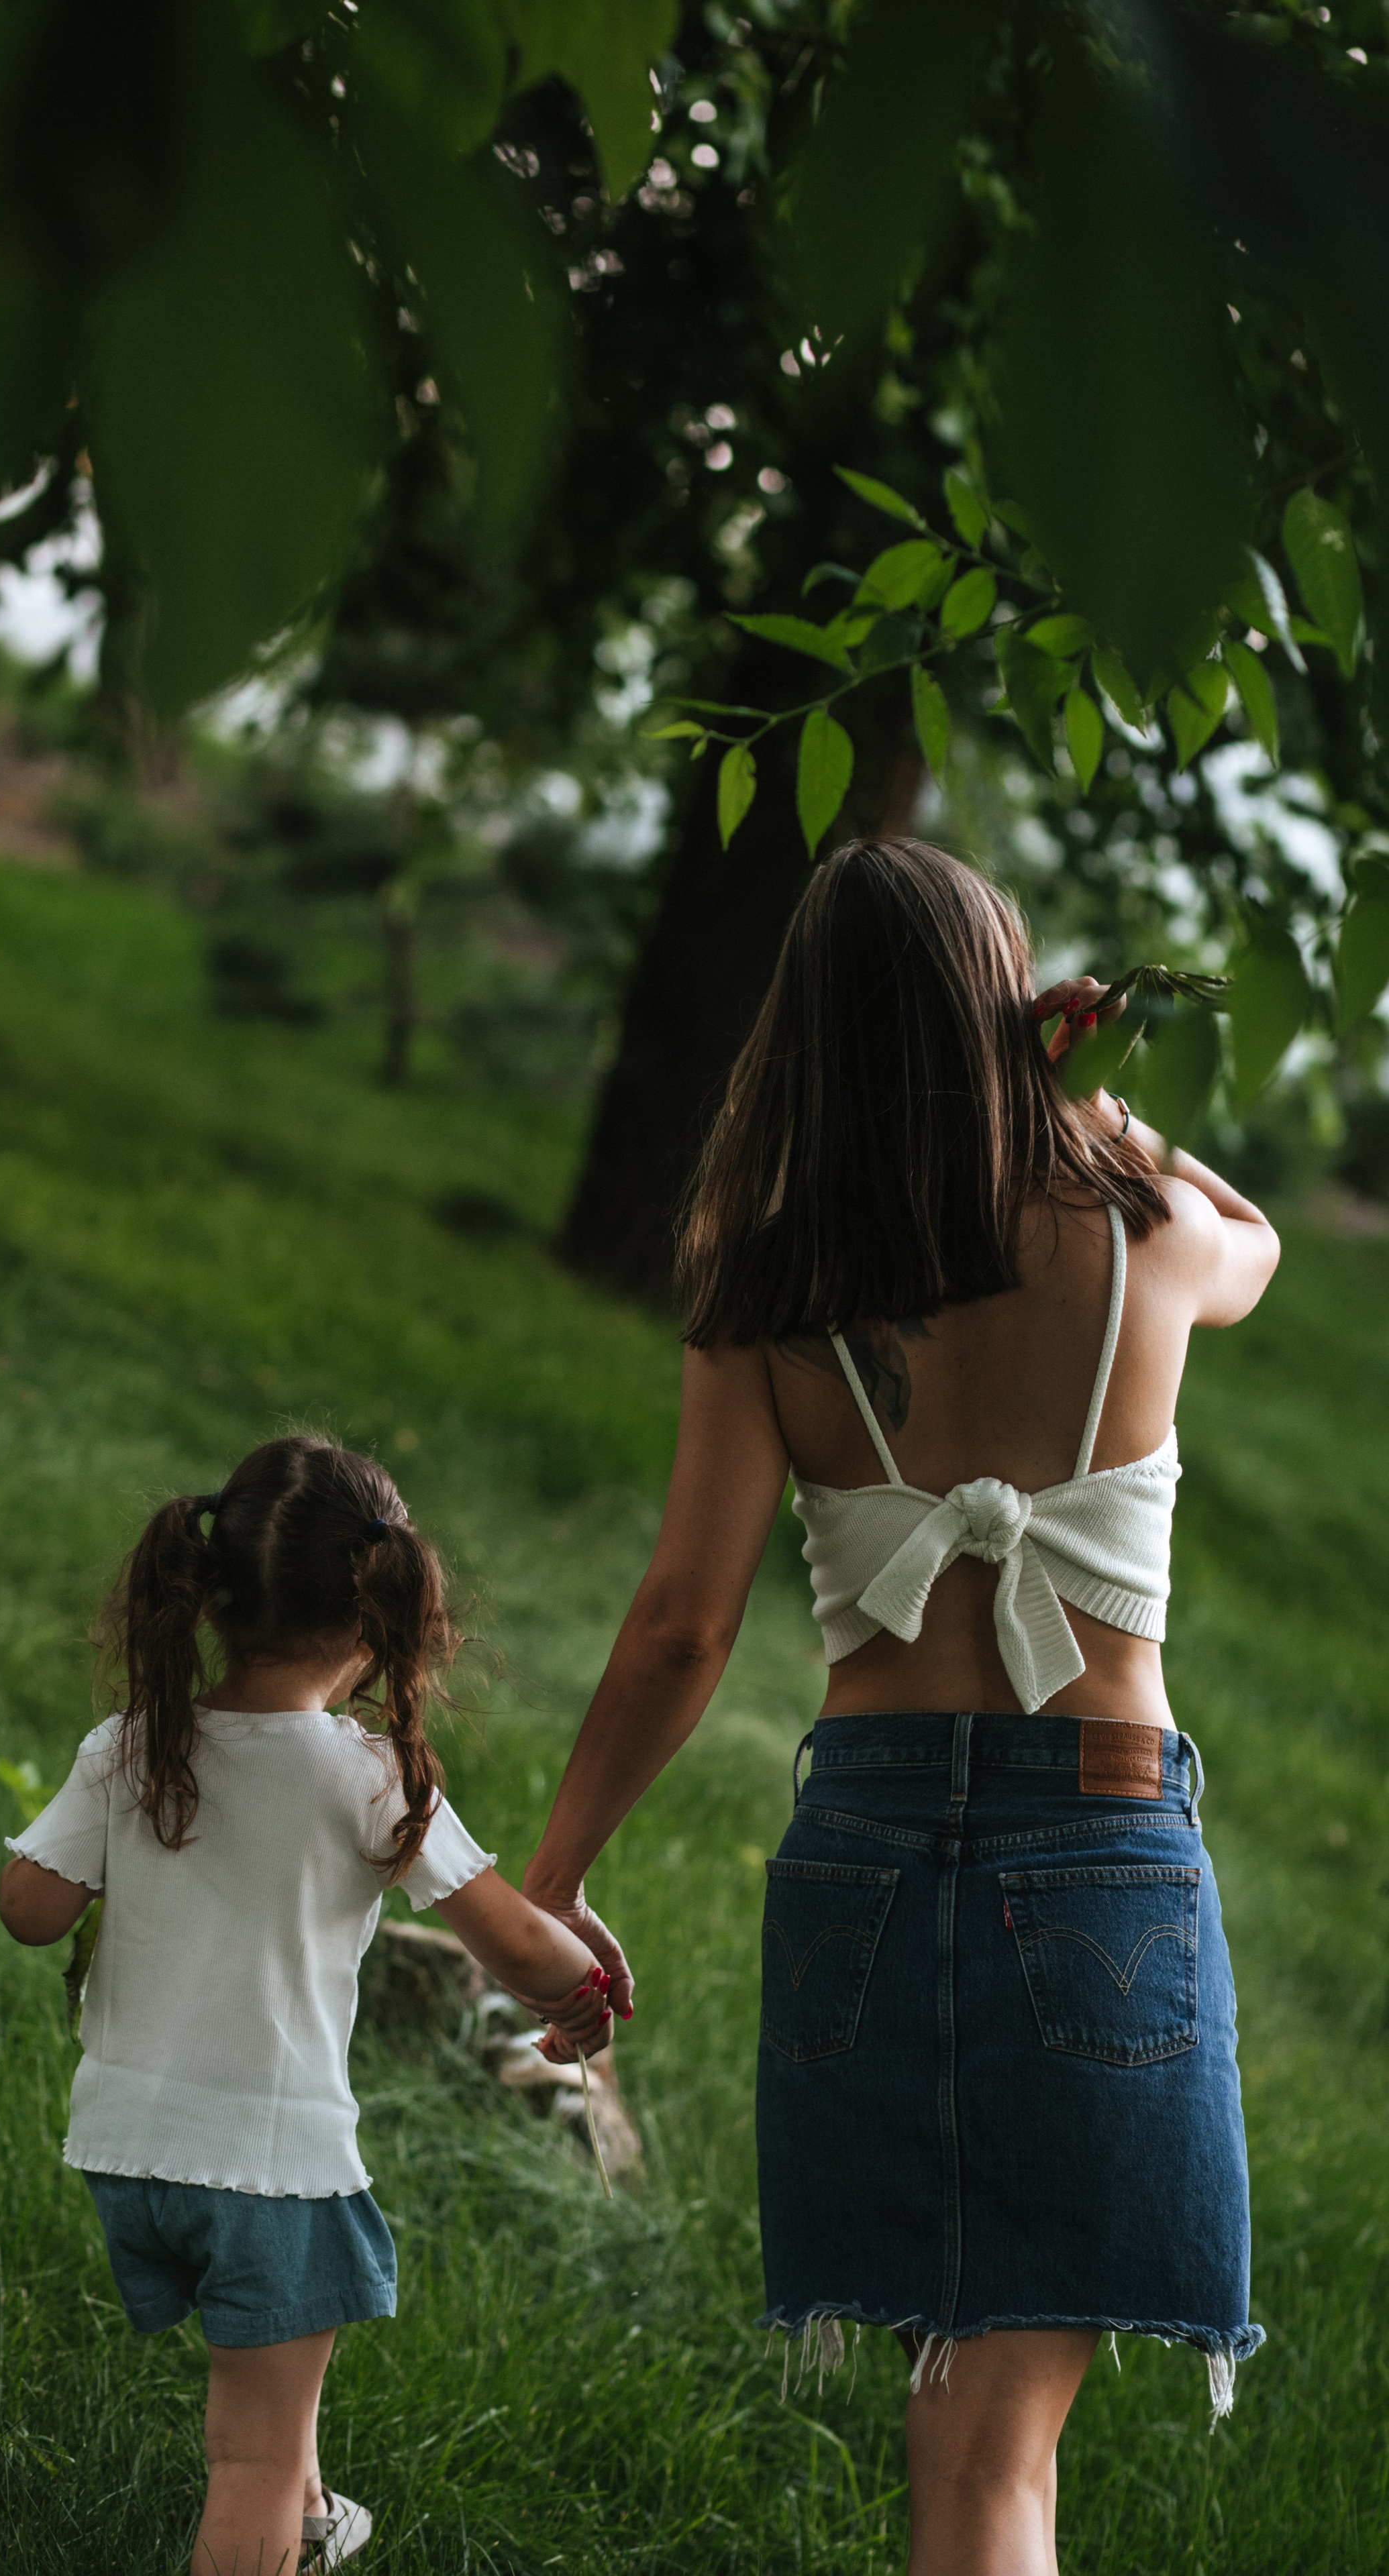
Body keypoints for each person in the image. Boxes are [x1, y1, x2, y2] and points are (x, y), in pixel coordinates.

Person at [520, 839, 1280, 2576]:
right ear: (1006, 1012)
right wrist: (1082, 1102)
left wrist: (555, 1877)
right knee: (1001, 2446)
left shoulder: (763, 1282)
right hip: (1094, 1837)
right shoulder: (1138, 1228)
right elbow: (1264, 1238)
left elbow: (675, 1632)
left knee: (957, 2423)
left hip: (860, 1847)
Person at [0, 1434, 610, 2576]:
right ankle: (280, 2521)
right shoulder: (367, 1775)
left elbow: (29, 1909)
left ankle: (315, 2529)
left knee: (279, 2384)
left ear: (215, 1596)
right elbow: (513, 1945)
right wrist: (583, 1989)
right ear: (381, 1616)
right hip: (271, 2162)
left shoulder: (134, 1746)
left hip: (130, 2152)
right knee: (251, 2454)